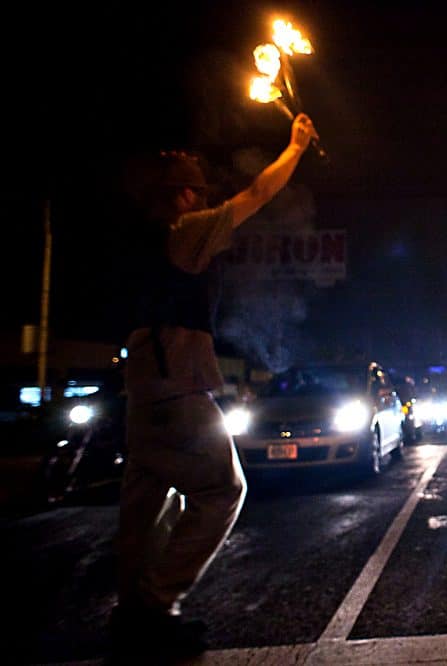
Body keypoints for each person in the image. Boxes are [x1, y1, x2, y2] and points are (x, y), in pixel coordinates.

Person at [111, 113, 319, 659]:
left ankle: (132, 613)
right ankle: (156, 607)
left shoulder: (142, 242)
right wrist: (295, 148)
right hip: (178, 391)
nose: (201, 200)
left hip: (143, 393)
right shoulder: (185, 231)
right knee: (224, 490)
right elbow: (256, 193)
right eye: (196, 192)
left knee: (145, 507)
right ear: (182, 195)